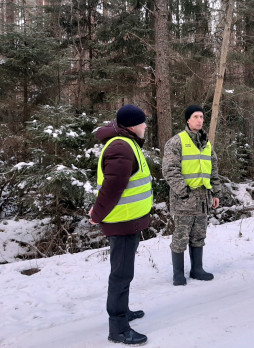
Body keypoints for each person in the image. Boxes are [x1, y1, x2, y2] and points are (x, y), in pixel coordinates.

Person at [89, 104, 152, 345]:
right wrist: (97, 214)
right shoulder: (121, 147)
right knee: (121, 274)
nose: (146, 126)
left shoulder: (126, 143)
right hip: (122, 221)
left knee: (124, 272)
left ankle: (123, 311)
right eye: (143, 122)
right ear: (133, 125)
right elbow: (113, 187)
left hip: (129, 220)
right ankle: (118, 328)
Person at [162, 105, 221, 286]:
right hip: (184, 200)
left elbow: (214, 170)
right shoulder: (176, 142)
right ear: (188, 120)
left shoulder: (206, 144)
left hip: (203, 198)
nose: (199, 120)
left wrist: (216, 192)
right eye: (195, 116)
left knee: (199, 236)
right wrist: (183, 192)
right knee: (180, 237)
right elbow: (169, 170)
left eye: (202, 117)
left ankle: (197, 269)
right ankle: (178, 274)